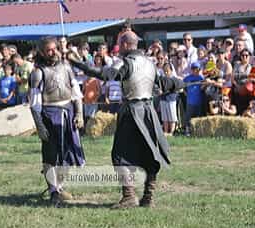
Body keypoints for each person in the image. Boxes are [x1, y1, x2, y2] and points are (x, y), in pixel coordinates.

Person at [68, 32, 182, 209]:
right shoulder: (149, 63)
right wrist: (177, 83)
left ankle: (129, 196)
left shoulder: (126, 62)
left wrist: (77, 63)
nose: (119, 48)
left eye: (120, 44)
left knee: (121, 154)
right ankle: (148, 197)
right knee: (150, 153)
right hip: (149, 112)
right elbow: (163, 83)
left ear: (127, 45)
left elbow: (103, 74)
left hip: (131, 112)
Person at [29, 37, 85, 206]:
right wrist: (40, 126)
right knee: (51, 155)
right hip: (50, 116)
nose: (53, 52)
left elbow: (76, 93)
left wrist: (80, 114)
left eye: (55, 49)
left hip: (68, 114)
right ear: (42, 52)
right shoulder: (38, 72)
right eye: (49, 50)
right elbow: (34, 104)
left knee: (68, 154)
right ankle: (53, 191)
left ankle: (60, 187)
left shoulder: (67, 68)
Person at [184, 62, 205, 136]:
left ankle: (196, 132)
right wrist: (185, 92)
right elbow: (183, 86)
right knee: (188, 117)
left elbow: (203, 88)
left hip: (199, 101)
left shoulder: (201, 78)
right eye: (193, 69)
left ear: (199, 69)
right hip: (190, 101)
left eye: (197, 69)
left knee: (197, 117)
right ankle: (187, 131)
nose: (195, 70)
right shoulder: (187, 78)